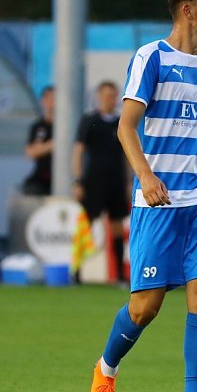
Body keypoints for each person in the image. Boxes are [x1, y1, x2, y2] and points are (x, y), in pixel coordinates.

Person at [88, 0, 197, 392]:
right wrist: (146, 176)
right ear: (188, 9)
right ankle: (106, 371)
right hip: (159, 200)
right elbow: (125, 126)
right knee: (144, 308)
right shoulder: (151, 57)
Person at [72, 81, 129, 284]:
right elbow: (78, 151)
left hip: (115, 181)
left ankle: (121, 277)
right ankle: (76, 273)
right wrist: (78, 181)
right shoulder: (89, 120)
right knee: (85, 226)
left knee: (116, 226)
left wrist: (128, 182)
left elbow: (127, 154)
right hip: (93, 180)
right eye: (106, 96)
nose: (109, 100)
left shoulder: (122, 122)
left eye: (113, 96)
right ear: (98, 97)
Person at [23, 86, 55, 195]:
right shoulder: (38, 127)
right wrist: (52, 145)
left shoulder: (67, 127)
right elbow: (31, 152)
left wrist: (42, 148)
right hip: (42, 179)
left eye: (55, 99)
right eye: (49, 99)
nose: (52, 103)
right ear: (43, 102)